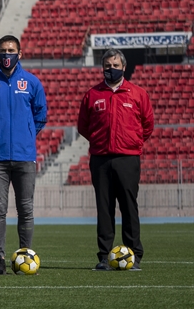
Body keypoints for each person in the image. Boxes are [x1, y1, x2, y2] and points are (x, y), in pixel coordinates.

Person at [0, 34, 47, 275]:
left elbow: (40, 115)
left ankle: (26, 253)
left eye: (11, 50)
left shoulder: (32, 82)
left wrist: (27, 134)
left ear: (19, 54)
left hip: (25, 156)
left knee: (26, 209)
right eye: (3, 50)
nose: (7, 54)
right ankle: (0, 258)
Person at [78, 49, 153, 271]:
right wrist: (99, 142)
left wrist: (132, 142)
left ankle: (134, 255)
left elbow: (147, 125)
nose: (111, 69)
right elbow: (83, 126)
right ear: (102, 68)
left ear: (124, 67)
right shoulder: (92, 95)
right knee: (104, 208)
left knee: (129, 207)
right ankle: (104, 256)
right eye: (108, 66)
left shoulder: (137, 94)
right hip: (100, 159)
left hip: (127, 159)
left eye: (116, 65)